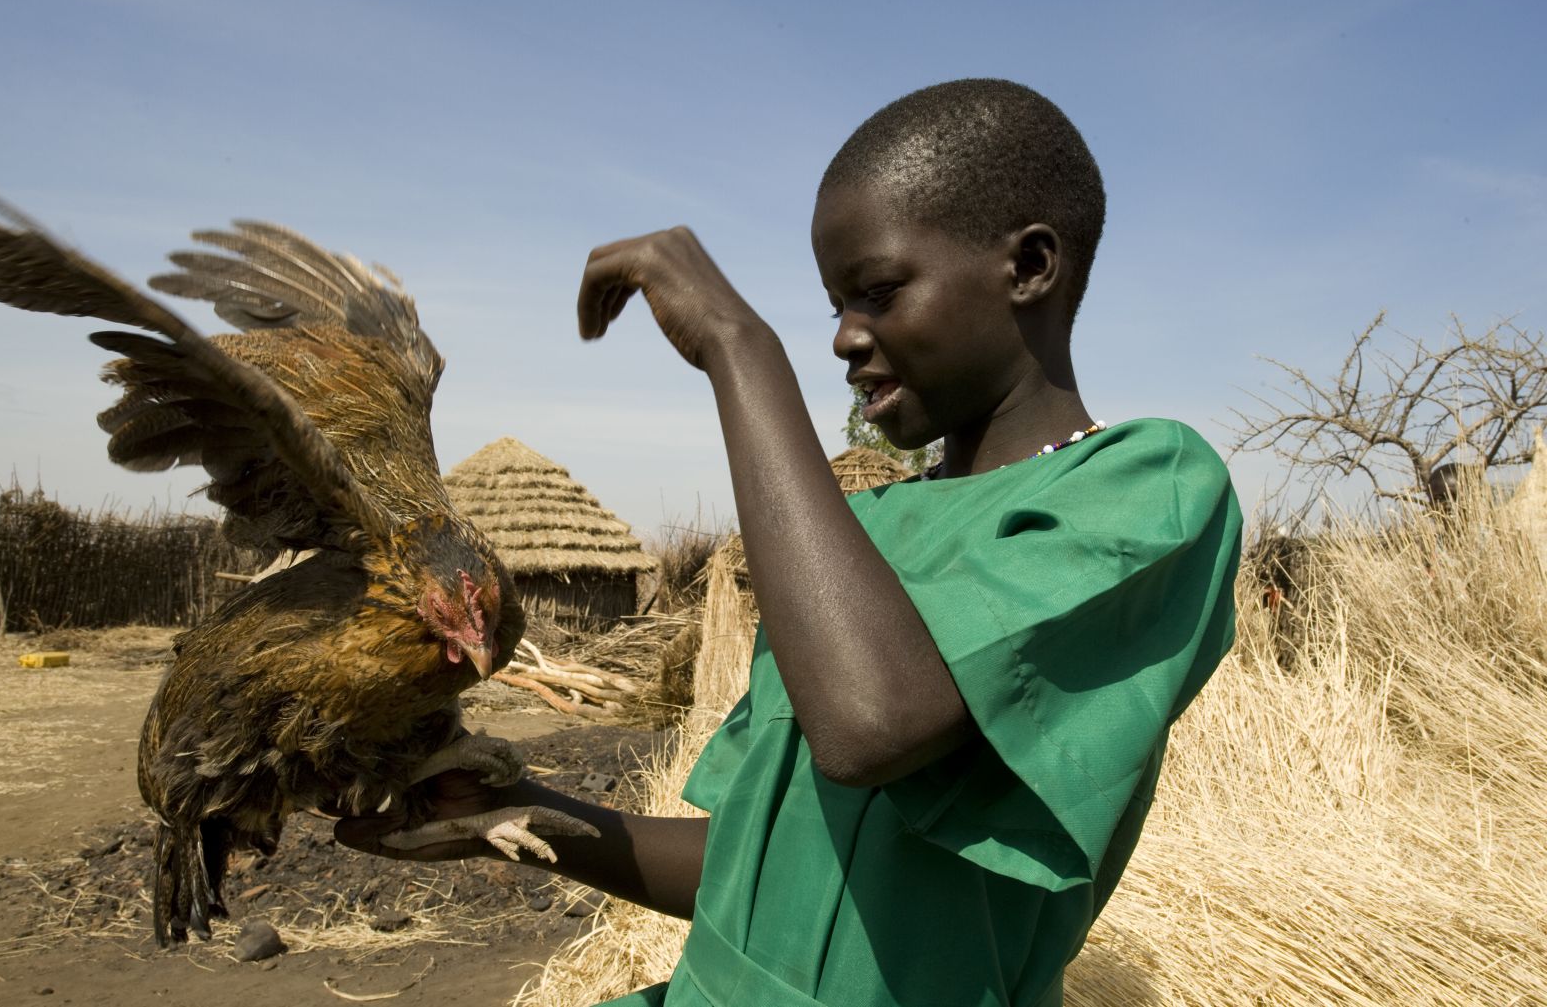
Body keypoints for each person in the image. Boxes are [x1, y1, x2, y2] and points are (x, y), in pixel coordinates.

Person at [336, 78, 1243, 1006]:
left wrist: (740, 347)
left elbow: (870, 726)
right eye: (835, 306)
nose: (845, 337)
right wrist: (522, 813)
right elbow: (760, 873)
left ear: (1030, 266)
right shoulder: (858, 531)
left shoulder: (1150, 491)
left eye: (878, 292)